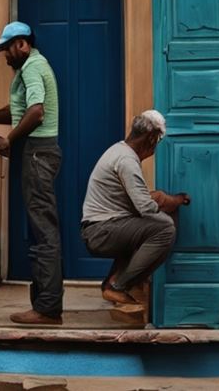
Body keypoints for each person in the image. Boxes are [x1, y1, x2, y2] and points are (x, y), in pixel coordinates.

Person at [0, 21, 64, 325]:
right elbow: (16, 112)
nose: (5, 55)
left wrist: (10, 140)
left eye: (8, 49)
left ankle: (47, 308)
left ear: (22, 44)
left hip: (38, 153)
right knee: (42, 229)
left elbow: (36, 112)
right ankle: (46, 305)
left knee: (43, 231)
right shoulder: (28, 70)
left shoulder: (32, 67)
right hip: (37, 152)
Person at [79, 110, 190, 305]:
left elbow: (140, 200)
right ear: (150, 138)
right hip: (101, 231)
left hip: (103, 227)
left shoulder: (119, 150)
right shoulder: (127, 160)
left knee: (152, 222)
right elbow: (146, 207)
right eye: (158, 140)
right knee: (164, 228)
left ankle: (113, 281)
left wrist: (169, 199)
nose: (156, 146)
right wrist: (173, 200)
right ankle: (117, 286)